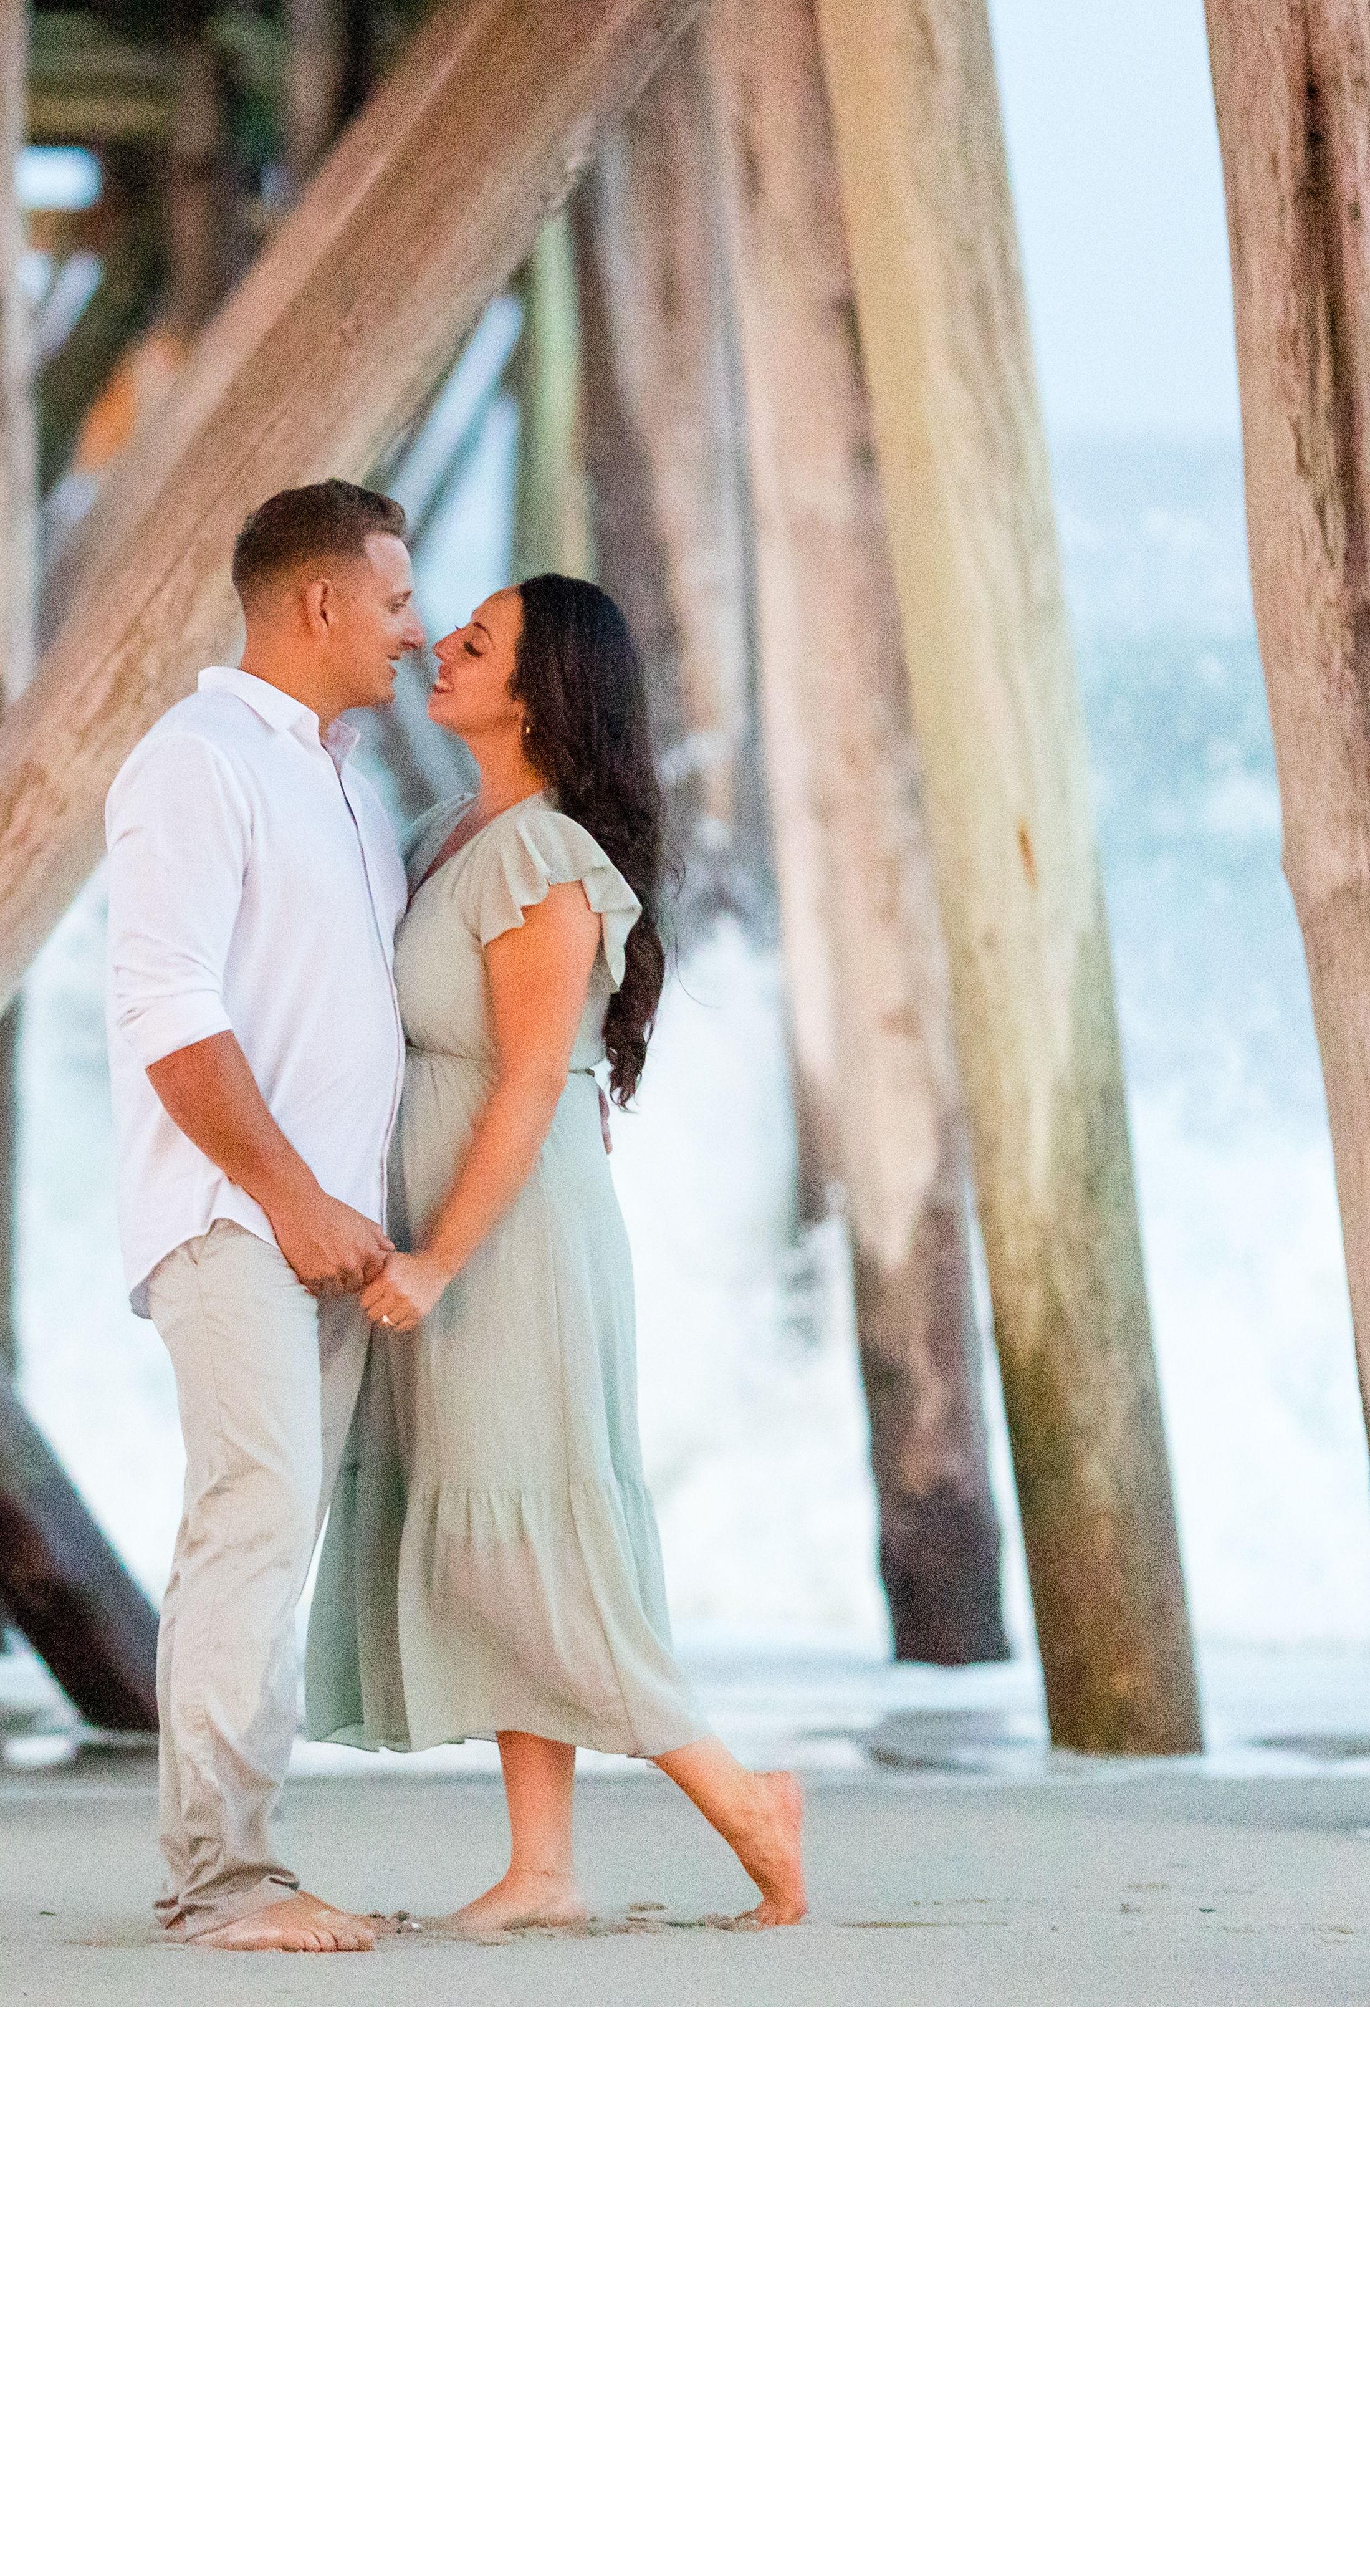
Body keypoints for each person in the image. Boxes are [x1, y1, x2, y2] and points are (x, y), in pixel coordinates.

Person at [305, 574, 807, 1933]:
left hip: (509, 1241)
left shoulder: (544, 858)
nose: (442, 649)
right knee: (502, 1535)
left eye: (477, 644)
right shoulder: (447, 830)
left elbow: (533, 1082)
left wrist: (439, 1259)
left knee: (527, 1548)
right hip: (463, 1226)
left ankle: (747, 1804)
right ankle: (544, 1871)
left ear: (538, 696)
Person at [104, 479, 419, 1952]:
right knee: (257, 1512)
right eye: (396, 602)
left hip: (328, 1237)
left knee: (275, 1527)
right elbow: (167, 1012)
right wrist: (293, 1201)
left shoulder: (347, 786)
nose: (413, 630)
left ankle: (238, 1860)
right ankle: (218, 1882)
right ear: (321, 603)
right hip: (236, 1216)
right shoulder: (197, 761)